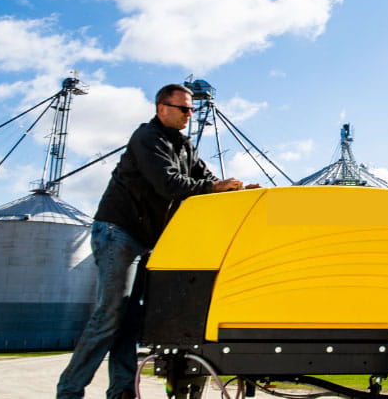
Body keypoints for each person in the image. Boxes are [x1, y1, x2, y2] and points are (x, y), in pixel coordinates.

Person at [57, 84, 259, 399]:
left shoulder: (183, 146)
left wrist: (238, 191)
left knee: (129, 321)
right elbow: (169, 184)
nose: (190, 115)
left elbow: (206, 182)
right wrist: (215, 187)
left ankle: (122, 391)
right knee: (109, 314)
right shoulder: (147, 138)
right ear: (162, 108)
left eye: (191, 109)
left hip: (145, 241)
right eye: (184, 109)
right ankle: (69, 391)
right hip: (117, 232)